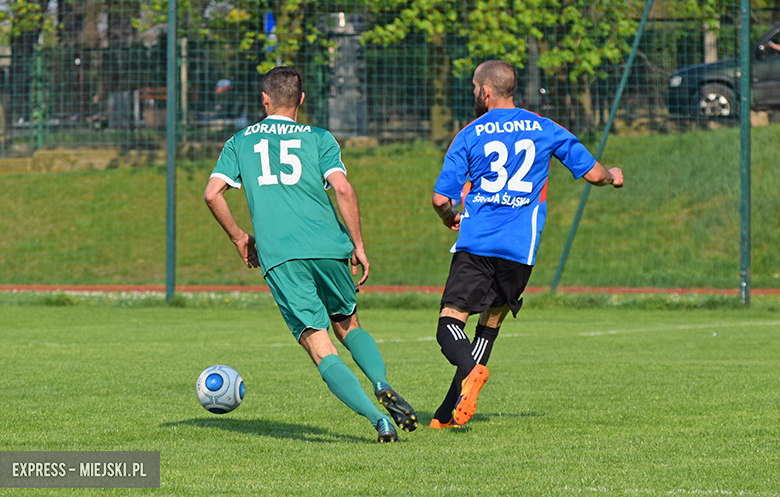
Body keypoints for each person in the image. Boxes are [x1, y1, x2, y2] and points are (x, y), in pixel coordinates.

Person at [203, 66, 417, 443]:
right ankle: (381, 382)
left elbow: (212, 194)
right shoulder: (319, 138)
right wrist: (359, 246)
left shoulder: (240, 141)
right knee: (348, 324)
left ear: (264, 100)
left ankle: (377, 420)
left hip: (282, 256)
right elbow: (344, 191)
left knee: (320, 346)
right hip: (329, 246)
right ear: (301, 99)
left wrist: (239, 238)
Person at [429, 60, 624, 428]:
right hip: (521, 249)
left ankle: (470, 372)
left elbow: (441, 199)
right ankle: (448, 413)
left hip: (478, 243)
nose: (474, 93)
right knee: (490, 323)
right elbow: (593, 173)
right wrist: (612, 177)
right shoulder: (545, 127)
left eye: (475, 87)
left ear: (486, 91)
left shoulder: (469, 134)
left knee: (449, 323)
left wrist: (449, 217)